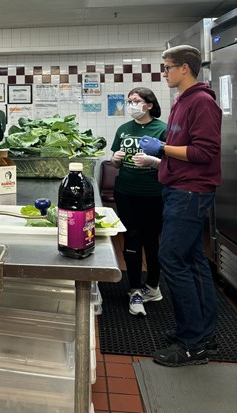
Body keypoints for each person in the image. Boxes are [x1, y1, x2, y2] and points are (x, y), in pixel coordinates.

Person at [140, 45, 222, 367]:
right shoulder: (182, 101)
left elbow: (204, 152)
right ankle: (203, 335)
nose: (165, 73)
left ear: (185, 68)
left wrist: (161, 147)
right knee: (193, 261)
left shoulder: (201, 102)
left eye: (167, 67)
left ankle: (192, 344)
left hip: (191, 192)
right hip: (178, 188)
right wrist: (160, 155)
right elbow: (182, 147)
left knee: (171, 258)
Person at [110, 87, 166, 317]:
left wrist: (154, 161)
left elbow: (173, 165)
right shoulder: (124, 129)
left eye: (136, 101)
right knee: (131, 240)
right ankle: (134, 288)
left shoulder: (162, 129)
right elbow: (115, 163)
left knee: (152, 241)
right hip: (126, 193)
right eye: (129, 100)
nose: (132, 105)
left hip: (153, 194)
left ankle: (153, 287)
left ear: (149, 105)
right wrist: (114, 159)